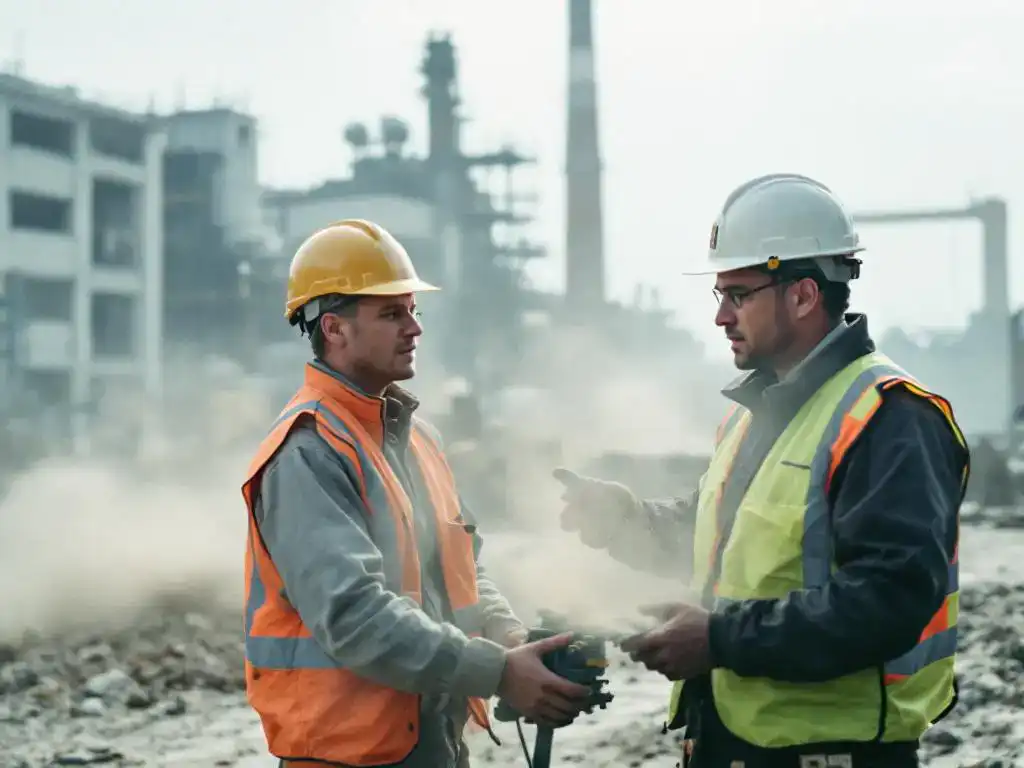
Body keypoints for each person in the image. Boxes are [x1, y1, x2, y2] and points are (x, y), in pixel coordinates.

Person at [555, 175, 969, 767]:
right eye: (719, 294)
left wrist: (718, 638)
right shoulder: (756, 417)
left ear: (803, 295)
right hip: (731, 747)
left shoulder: (890, 417)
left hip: (833, 754)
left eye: (740, 294)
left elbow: (889, 602)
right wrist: (626, 521)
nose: (722, 316)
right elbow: (716, 545)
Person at [241, 219, 592, 768]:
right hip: (349, 755)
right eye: (391, 313)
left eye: (412, 310)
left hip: (432, 743)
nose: (414, 328)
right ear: (333, 329)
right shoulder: (307, 453)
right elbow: (355, 616)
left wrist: (511, 638)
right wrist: (499, 672)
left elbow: (461, 572)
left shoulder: (415, 437)